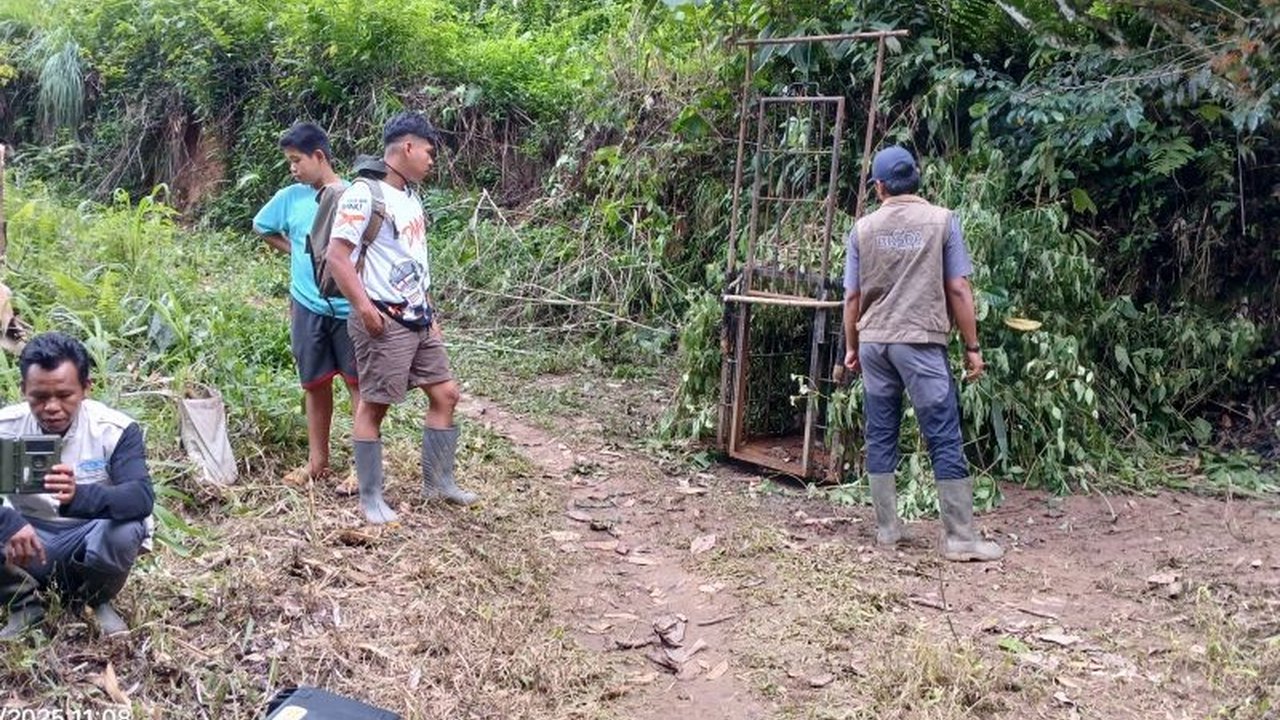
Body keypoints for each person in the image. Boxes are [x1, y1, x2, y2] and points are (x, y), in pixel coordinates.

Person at [842, 145, 1003, 562]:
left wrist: (851, 348)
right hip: (921, 343)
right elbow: (958, 289)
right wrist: (972, 347)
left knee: (881, 429)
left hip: (875, 343)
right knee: (943, 431)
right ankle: (961, 537)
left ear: (879, 187)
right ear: (918, 178)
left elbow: (852, 296)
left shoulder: (862, 230)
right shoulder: (943, 221)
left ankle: (887, 529)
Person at [325, 111, 477, 525]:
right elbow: (337, 256)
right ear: (407, 147)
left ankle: (439, 482)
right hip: (383, 318)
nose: (432, 160)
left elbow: (413, 261)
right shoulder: (363, 194)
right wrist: (364, 309)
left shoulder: (410, 196)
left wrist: (430, 312)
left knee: (445, 394)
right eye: (428, 151)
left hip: (418, 317)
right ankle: (371, 498)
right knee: (374, 406)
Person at [0, 332, 155, 639]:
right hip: (26, 544)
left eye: (64, 395)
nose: (52, 407)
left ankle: (95, 599)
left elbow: (140, 497)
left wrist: (79, 495)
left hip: (87, 541)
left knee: (127, 527)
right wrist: (8, 521)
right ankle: (22, 604)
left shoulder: (113, 430)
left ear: (86, 388)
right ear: (23, 390)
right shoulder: (5, 429)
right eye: (40, 397)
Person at [253, 122, 360, 494]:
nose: (293, 168)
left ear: (319, 156)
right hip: (307, 306)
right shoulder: (290, 197)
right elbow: (262, 226)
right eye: (289, 162)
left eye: (297, 160)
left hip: (349, 310)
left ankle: (362, 468)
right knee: (315, 384)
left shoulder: (353, 197)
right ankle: (318, 462)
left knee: (358, 386)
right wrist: (296, 251)